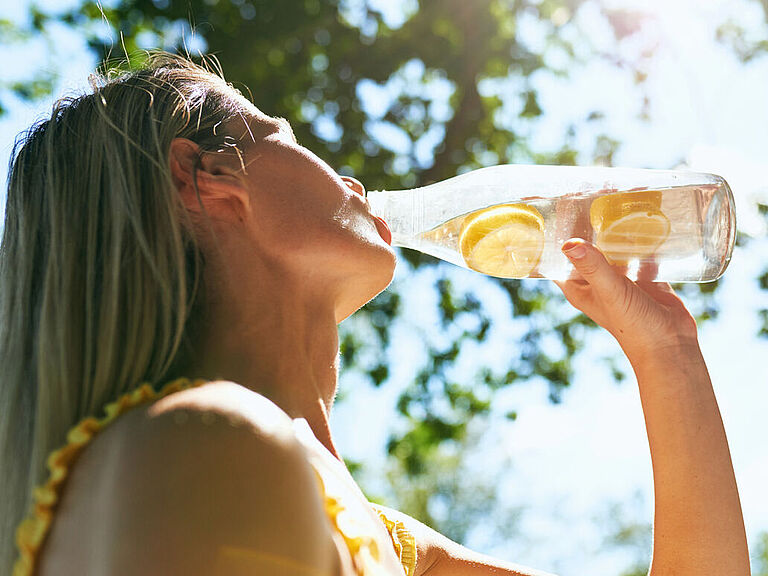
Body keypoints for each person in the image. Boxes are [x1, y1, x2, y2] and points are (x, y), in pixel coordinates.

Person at [0, 53, 749, 576]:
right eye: (284, 137)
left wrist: (668, 351)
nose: (350, 177)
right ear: (209, 180)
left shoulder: (379, 539)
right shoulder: (209, 449)